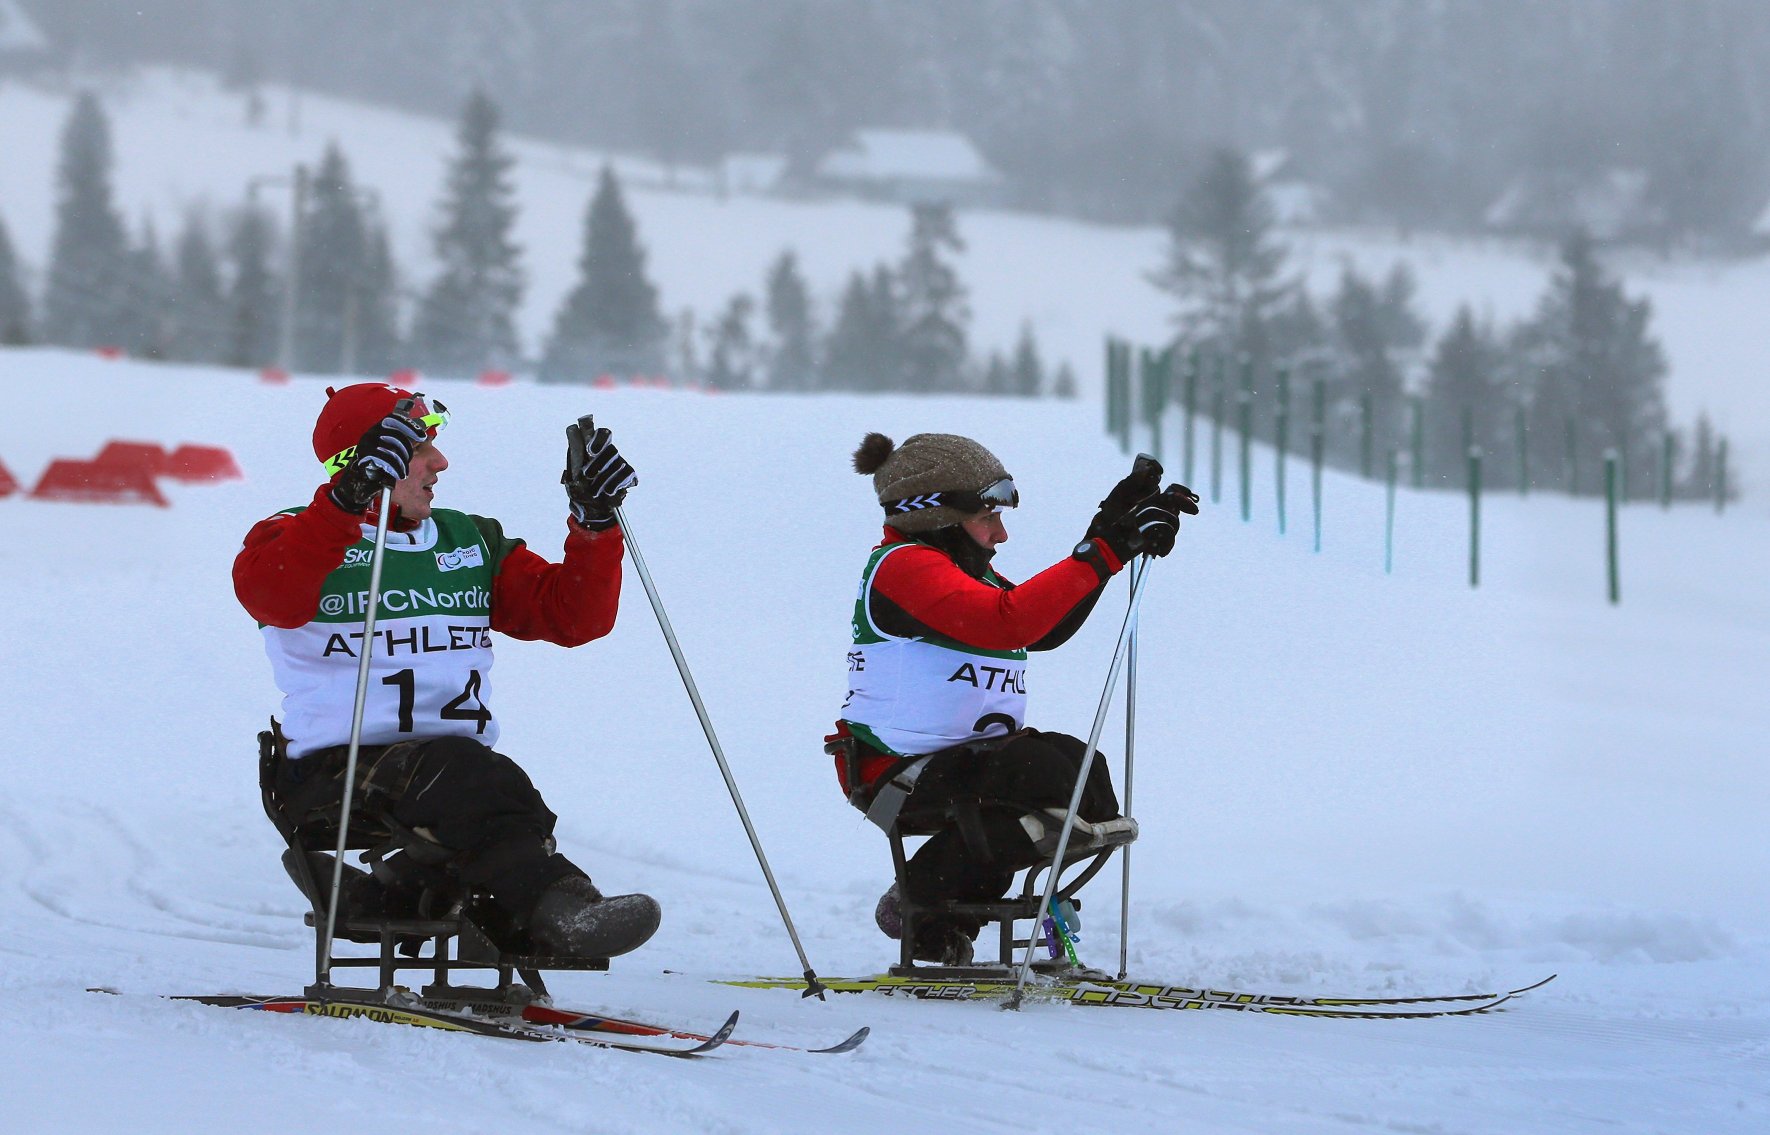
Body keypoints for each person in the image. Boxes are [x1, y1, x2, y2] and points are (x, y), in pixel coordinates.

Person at [234, 381, 658, 959]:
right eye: (420, 448)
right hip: (334, 770)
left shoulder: (469, 540)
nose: (440, 462)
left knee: (498, 792)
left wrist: (595, 522)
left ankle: (415, 903)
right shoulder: (293, 534)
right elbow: (272, 596)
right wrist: (345, 502)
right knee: (472, 779)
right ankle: (561, 909)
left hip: (448, 774)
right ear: (367, 461)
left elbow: (573, 618)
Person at [835, 432, 1197, 965]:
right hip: (897, 772)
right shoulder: (904, 565)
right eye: (988, 518)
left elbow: (1044, 628)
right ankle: (923, 903)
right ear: (937, 516)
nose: (1000, 535)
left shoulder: (963, 572)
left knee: (1082, 773)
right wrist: (1107, 552)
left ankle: (933, 916)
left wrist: (1106, 536)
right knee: (1038, 772)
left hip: (962, 765)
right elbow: (1012, 620)